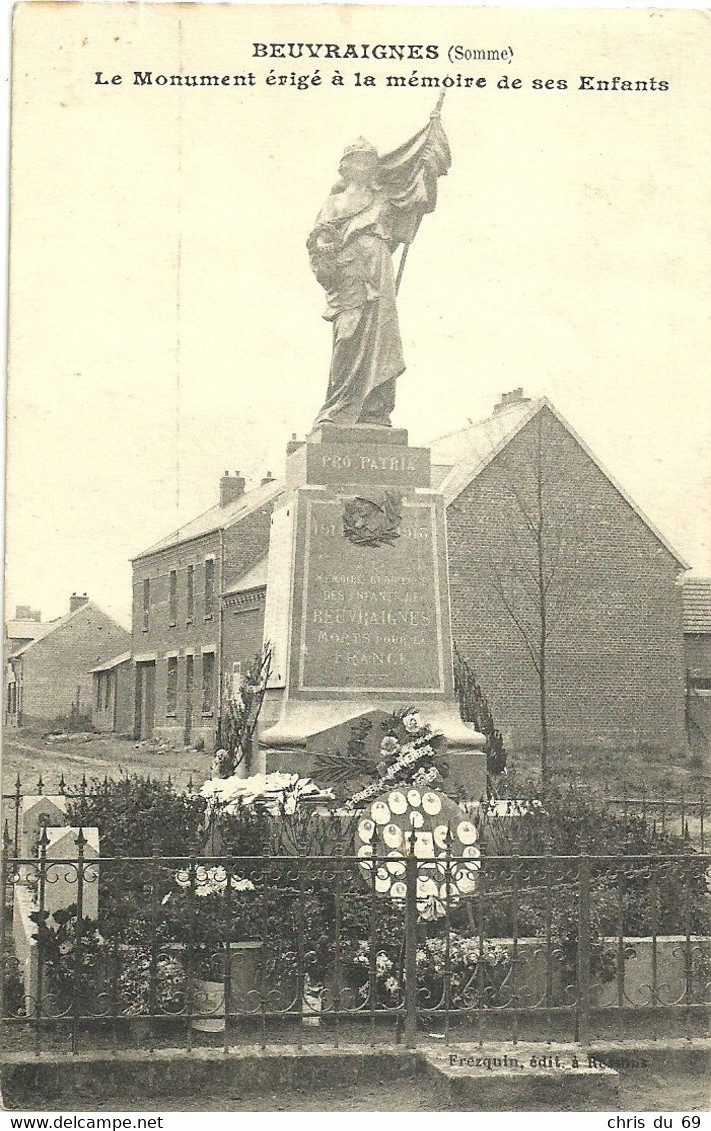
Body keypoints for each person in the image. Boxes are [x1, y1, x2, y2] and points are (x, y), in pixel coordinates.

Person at [308, 107, 451, 430]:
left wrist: (425, 164)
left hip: (378, 266)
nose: (363, 166)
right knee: (348, 337)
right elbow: (317, 241)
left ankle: (374, 409)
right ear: (346, 167)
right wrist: (325, 249)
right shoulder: (334, 203)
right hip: (348, 275)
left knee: (381, 337)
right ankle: (339, 406)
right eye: (357, 160)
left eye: (368, 161)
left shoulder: (384, 196)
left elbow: (414, 200)